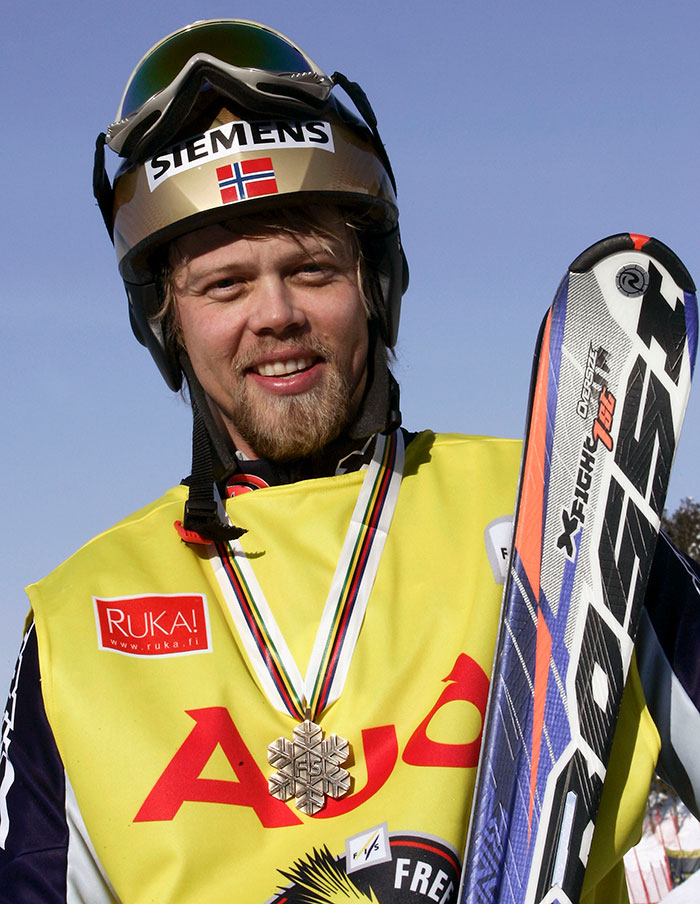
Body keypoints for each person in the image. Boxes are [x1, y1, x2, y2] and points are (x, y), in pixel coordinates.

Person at [0, 18, 698, 904]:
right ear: (165, 324)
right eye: (225, 284)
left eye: (314, 270)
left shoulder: (560, 503)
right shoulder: (79, 624)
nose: (276, 313)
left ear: (377, 285)